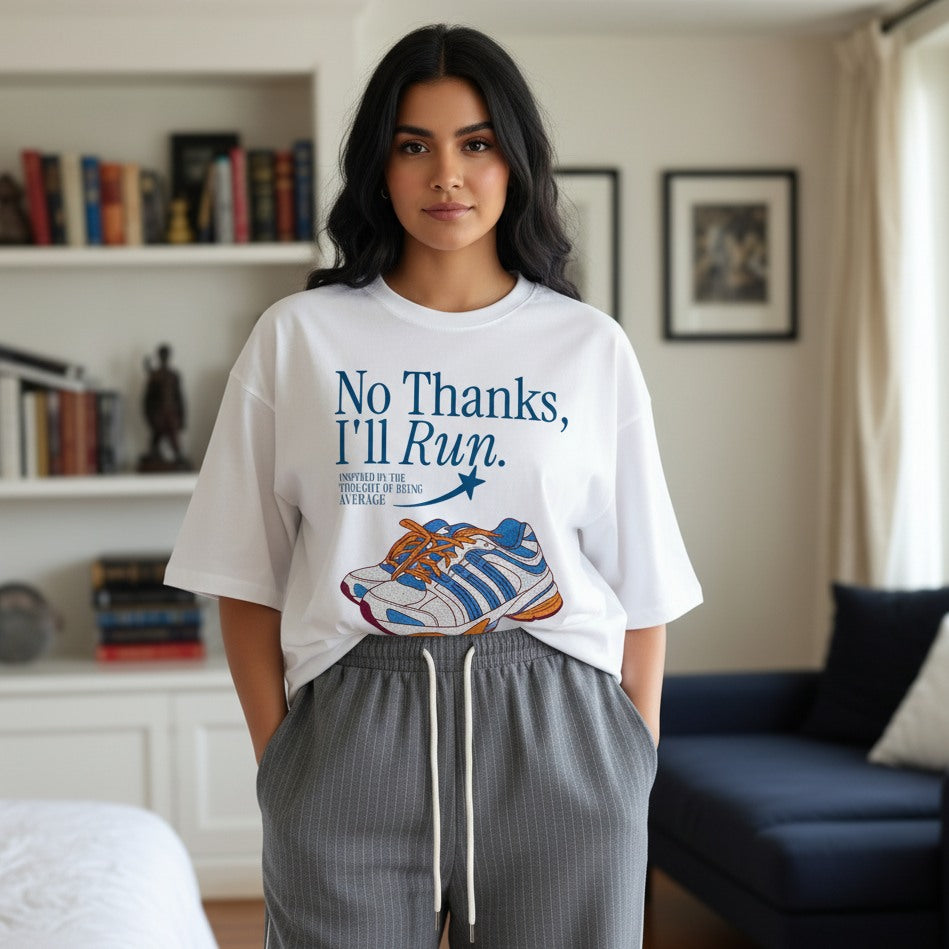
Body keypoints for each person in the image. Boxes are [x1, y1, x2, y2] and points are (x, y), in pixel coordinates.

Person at [165, 23, 701, 949]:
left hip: (557, 727)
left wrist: (628, 757)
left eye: (476, 143)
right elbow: (244, 576)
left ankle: (490, 569)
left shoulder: (587, 347)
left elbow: (642, 582)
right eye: (414, 146)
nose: (445, 175)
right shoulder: (298, 339)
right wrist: (281, 763)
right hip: (350, 735)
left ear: (515, 163)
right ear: (379, 167)